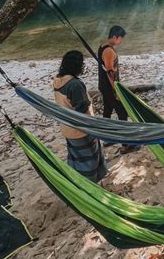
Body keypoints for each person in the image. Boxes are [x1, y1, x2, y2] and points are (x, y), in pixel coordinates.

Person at [53, 50, 108, 182]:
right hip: (81, 130)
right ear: (77, 66)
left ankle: (78, 183)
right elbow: (82, 109)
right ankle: (90, 186)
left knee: (77, 159)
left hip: (67, 127)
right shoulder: (75, 84)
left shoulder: (58, 80)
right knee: (90, 161)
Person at [97, 25, 128, 120]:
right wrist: (116, 90)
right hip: (109, 87)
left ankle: (106, 126)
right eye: (120, 39)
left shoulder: (103, 45)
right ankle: (124, 128)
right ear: (114, 37)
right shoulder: (108, 51)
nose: (121, 41)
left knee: (108, 109)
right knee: (122, 111)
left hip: (104, 84)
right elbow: (109, 72)